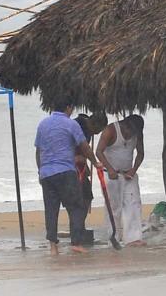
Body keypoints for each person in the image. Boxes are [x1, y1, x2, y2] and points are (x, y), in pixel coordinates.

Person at [35, 103, 103, 256]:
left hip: (46, 173)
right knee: (77, 206)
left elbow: (38, 151)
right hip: (65, 171)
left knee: (51, 210)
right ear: (68, 107)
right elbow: (85, 147)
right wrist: (95, 162)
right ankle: (76, 243)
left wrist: (40, 171)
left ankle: (53, 247)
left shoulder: (42, 124)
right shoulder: (71, 124)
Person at [96, 114, 145, 247]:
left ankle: (133, 238)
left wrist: (133, 170)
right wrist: (110, 169)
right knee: (113, 208)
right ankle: (114, 237)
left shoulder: (137, 133)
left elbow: (140, 153)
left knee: (133, 204)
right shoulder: (110, 130)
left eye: (134, 133)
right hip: (111, 174)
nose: (131, 135)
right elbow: (99, 151)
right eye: (129, 132)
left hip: (128, 174)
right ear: (125, 125)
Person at [70, 113, 109, 228]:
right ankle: (76, 227)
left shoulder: (88, 130)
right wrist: (76, 159)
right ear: (92, 123)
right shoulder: (76, 126)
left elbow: (84, 149)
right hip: (68, 166)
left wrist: (86, 164)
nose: (96, 133)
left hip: (79, 167)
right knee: (78, 198)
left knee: (87, 196)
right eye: (97, 130)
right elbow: (65, 146)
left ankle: (79, 225)